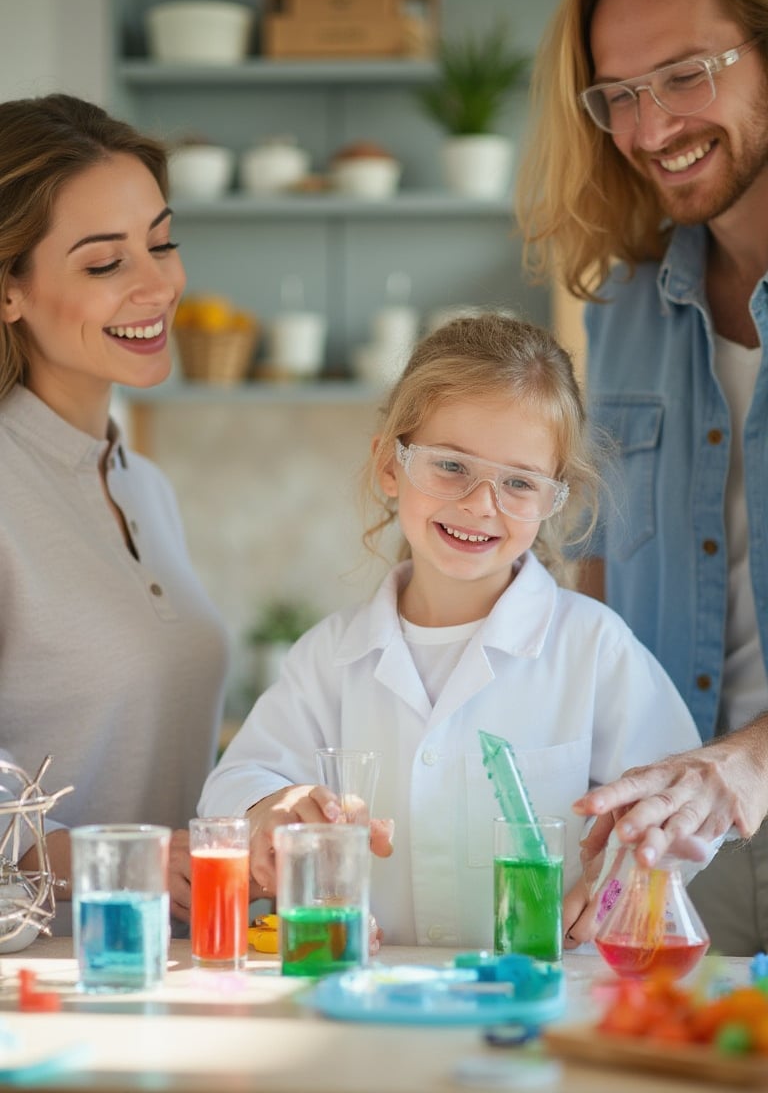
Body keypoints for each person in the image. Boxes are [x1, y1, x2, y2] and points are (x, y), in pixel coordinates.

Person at [199, 312, 701, 949]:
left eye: (518, 482)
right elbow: (234, 789)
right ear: (390, 463)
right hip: (371, 997)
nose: (480, 503)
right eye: (451, 466)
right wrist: (270, 810)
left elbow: (683, 814)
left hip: (549, 999)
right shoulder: (330, 657)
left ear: (553, 498)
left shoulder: (593, 648)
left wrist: (616, 885)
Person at [516, 0, 768, 953]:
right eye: (615, 93)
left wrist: (743, 765)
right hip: (677, 843)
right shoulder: (623, 304)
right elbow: (599, 584)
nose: (650, 127)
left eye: (684, 74)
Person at [0, 93, 230, 933]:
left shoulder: (145, 488)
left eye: (161, 243)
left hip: (160, 979)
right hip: (34, 996)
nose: (158, 284)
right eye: (105, 264)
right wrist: (143, 858)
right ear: (9, 291)